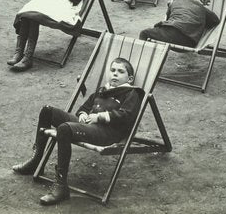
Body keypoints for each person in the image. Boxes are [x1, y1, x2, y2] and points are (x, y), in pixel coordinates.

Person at [11, 58, 142, 205]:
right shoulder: (102, 91)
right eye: (112, 70)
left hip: (107, 133)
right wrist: (83, 115)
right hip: (89, 126)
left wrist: (99, 117)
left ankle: (61, 185)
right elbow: (84, 108)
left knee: (64, 129)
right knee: (47, 111)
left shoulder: (132, 93)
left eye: (120, 71)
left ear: (129, 78)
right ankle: (36, 161)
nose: (115, 74)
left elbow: (127, 116)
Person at [9, 0, 91, 72]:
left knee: (33, 16)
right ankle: (19, 53)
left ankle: (27, 57)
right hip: (49, 2)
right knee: (27, 14)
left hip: (64, 7)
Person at [139, 0, 218, 48]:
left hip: (174, 33)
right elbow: (215, 20)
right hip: (190, 41)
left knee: (144, 33)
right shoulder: (201, 7)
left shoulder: (174, 3)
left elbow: (168, 19)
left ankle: (141, 58)